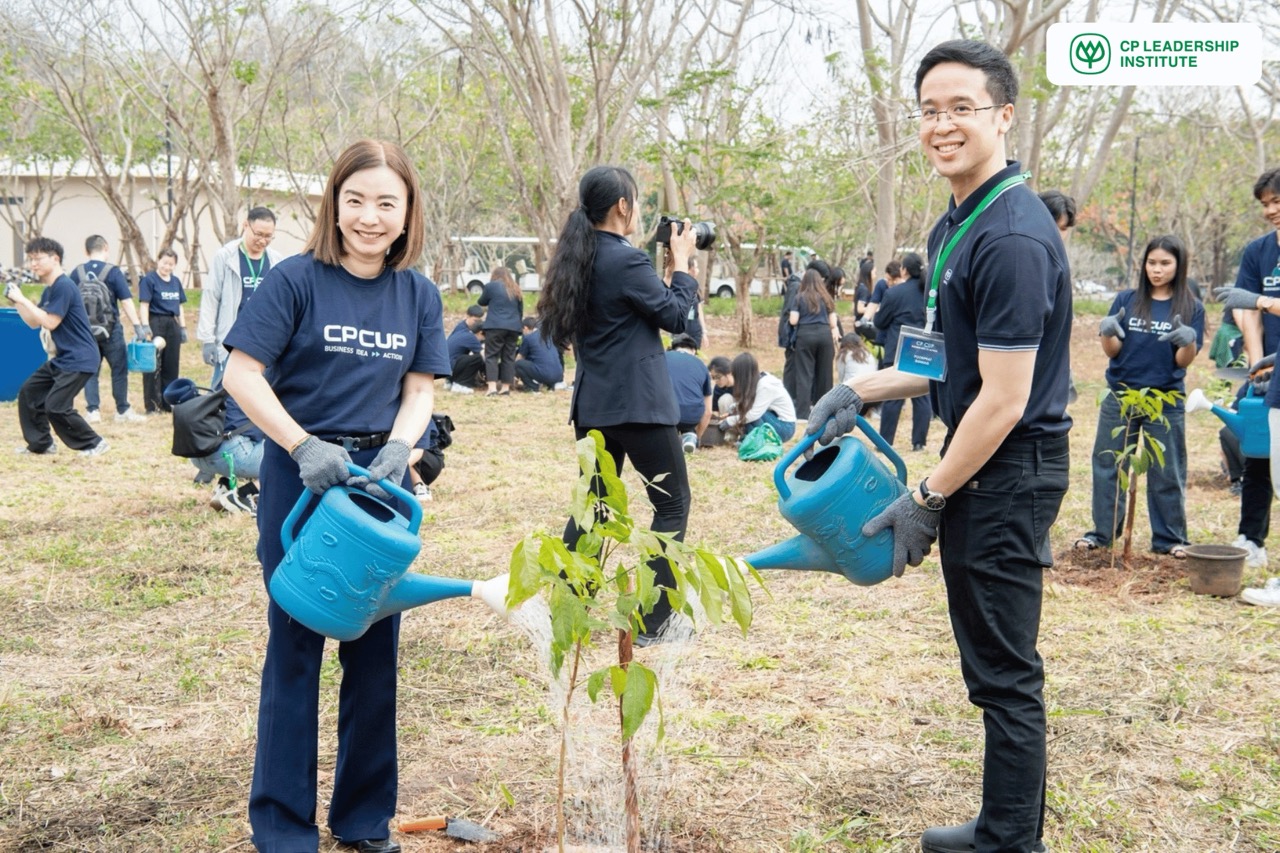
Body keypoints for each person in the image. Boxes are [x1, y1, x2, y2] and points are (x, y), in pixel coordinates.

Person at [805, 40, 1070, 853]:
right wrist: (860, 390)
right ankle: (1001, 825)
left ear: (1004, 116)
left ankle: (1010, 843)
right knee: (989, 664)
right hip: (986, 464)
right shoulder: (959, 220)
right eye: (929, 110)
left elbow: (1004, 397)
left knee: (1005, 672)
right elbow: (940, 360)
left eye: (962, 108)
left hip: (1008, 469)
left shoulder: (1013, 236)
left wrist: (927, 495)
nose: (942, 125)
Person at [222, 138, 449, 853]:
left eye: (386, 202)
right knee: (295, 646)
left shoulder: (418, 293)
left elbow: (419, 388)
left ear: (408, 211)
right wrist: (301, 446)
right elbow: (241, 374)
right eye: (355, 200)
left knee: (375, 645)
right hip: (303, 474)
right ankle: (283, 827)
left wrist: (401, 449)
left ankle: (362, 819)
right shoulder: (294, 280)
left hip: (379, 482)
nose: (369, 217)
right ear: (334, 203)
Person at [537, 164, 698, 644]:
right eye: (637, 203)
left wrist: (665, 276)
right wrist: (682, 265)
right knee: (672, 505)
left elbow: (637, 311)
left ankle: (570, 613)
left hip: (594, 406)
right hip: (640, 407)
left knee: (595, 508)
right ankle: (654, 621)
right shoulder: (625, 259)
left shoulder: (579, 258)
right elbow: (675, 317)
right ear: (622, 206)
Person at [1074, 235, 1203, 557]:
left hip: (1165, 400)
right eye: (1151, 263)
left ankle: (1170, 539)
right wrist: (1107, 332)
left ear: (1179, 266)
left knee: (1166, 468)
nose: (1157, 270)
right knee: (1108, 463)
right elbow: (1112, 350)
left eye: (1165, 263)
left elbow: (1182, 362)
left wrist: (1188, 341)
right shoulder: (1126, 300)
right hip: (1121, 395)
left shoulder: (1191, 307)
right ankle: (1103, 534)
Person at [1215, 166, 1280, 604]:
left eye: (1277, 201)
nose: (1271, 210)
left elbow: (1257, 301)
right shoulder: (1259, 251)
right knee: (1258, 452)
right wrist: (1257, 366)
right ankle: (1251, 539)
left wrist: (1262, 301)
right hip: (1271, 369)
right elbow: (1247, 309)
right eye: (1265, 204)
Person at [8, 236, 109, 457]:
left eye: (38, 259)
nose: (33, 264)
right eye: (31, 259)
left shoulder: (64, 285)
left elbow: (50, 322)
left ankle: (94, 443)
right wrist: (18, 300)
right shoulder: (51, 289)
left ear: (55, 259)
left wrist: (23, 300)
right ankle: (41, 444)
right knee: (29, 392)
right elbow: (34, 322)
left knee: (56, 406)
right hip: (64, 358)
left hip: (80, 358)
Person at [199, 207, 283, 387]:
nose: (262, 240)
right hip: (232, 339)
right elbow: (211, 298)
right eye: (258, 234)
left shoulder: (276, 260)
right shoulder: (226, 257)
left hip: (263, 341)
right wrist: (207, 339)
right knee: (222, 393)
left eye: (268, 236)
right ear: (246, 225)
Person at [70, 235, 147, 423]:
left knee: (91, 371)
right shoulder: (113, 272)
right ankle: (122, 410)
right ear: (106, 247)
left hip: (86, 332)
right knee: (119, 370)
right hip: (111, 330)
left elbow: (70, 302)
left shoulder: (77, 272)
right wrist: (137, 326)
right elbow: (126, 301)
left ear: (86, 251)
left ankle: (93, 411)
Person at [874, 252, 934, 451]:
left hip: (898, 347)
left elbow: (880, 321)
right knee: (922, 396)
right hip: (924, 347)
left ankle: (885, 442)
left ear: (904, 270)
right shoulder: (930, 293)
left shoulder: (894, 293)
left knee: (893, 395)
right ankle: (919, 442)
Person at [138, 248, 188, 414]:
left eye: (171, 264)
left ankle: (168, 403)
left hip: (172, 324)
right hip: (155, 322)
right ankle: (152, 405)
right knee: (153, 365)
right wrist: (145, 326)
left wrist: (183, 327)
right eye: (164, 263)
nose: (167, 267)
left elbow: (180, 306)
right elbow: (144, 304)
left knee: (171, 365)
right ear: (158, 261)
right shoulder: (149, 280)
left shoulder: (176, 282)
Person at [788, 268, 838, 420]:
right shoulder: (827, 298)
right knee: (825, 375)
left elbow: (793, 320)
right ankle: (824, 412)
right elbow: (833, 323)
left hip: (805, 336)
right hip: (824, 335)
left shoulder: (799, 298)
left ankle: (803, 413)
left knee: (804, 375)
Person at [714, 351, 797, 442]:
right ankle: (747, 439)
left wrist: (729, 421)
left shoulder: (765, 386)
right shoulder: (756, 381)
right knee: (744, 410)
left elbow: (754, 414)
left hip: (784, 427)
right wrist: (734, 408)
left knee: (749, 414)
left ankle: (755, 441)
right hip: (773, 419)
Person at [478, 266, 523, 396]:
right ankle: (505, 388)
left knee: (491, 355)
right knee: (508, 357)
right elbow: (520, 310)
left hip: (495, 326)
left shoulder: (491, 286)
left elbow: (481, 302)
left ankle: (492, 388)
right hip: (513, 327)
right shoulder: (516, 288)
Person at [665, 332, 712, 453]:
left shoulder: (662, 358)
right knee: (688, 424)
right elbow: (708, 412)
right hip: (691, 416)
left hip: (667, 414)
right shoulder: (701, 365)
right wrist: (698, 437)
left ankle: (670, 439)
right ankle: (691, 435)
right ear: (694, 351)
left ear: (673, 348)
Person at [514, 315, 564, 392]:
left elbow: (520, 358)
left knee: (518, 364)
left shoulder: (528, 338)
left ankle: (532, 387)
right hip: (558, 375)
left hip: (545, 374)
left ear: (525, 328)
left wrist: (513, 374)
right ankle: (550, 385)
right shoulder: (547, 336)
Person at [445, 304, 485, 393]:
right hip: (452, 366)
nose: (477, 323)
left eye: (479, 321)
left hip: (446, 364)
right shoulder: (470, 335)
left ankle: (450, 381)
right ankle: (460, 384)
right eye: (475, 320)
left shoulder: (460, 326)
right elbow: (483, 355)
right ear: (467, 316)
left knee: (466, 358)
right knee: (477, 358)